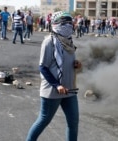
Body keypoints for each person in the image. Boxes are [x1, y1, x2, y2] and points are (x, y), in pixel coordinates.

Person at [26, 11, 82, 141]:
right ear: (56, 24)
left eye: (70, 23)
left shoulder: (69, 42)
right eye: (64, 23)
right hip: (52, 91)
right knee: (43, 121)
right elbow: (43, 67)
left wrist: (76, 64)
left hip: (69, 90)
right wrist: (57, 85)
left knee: (73, 123)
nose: (68, 26)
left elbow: (67, 61)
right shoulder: (49, 42)